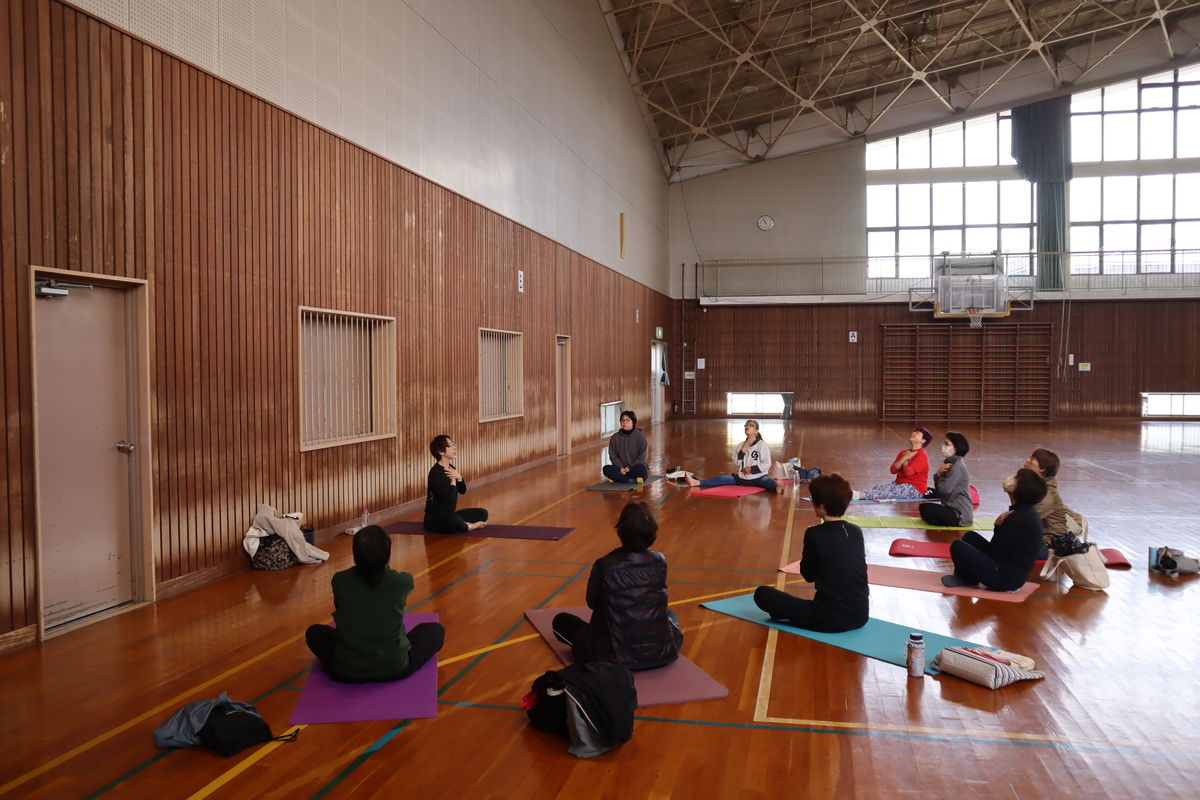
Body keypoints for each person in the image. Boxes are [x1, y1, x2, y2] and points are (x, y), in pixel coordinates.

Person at [552, 502, 683, 671]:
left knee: (561, 621)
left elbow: (592, 603)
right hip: (662, 653)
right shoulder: (660, 560)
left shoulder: (604, 564)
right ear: (652, 534)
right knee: (670, 614)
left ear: (621, 532)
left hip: (612, 658)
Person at [305, 525, 445, 682]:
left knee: (314, 633)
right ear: (387, 555)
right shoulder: (403, 581)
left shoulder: (340, 580)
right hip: (396, 667)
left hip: (347, 669)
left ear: (355, 555)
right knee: (436, 631)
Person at [752, 473, 868, 632]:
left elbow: (808, 575)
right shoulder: (856, 531)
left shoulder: (814, 534)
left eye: (813, 500)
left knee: (763, 594)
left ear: (822, 506)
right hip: (861, 616)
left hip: (828, 619)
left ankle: (785, 613)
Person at [942, 468, 1047, 591]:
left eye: (1016, 478)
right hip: (1009, 570)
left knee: (958, 546)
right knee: (970, 537)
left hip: (1005, 578)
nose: (1011, 478)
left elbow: (994, 552)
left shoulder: (1017, 517)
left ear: (1019, 489)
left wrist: (997, 527)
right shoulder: (1025, 512)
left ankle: (966, 578)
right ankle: (969, 577)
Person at [1007, 448, 1083, 547]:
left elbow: (1022, 520)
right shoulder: (1037, 486)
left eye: (1032, 458)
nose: (1027, 460)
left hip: (1051, 542)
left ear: (1042, 468)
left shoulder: (1046, 494)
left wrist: (1012, 494)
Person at [683, 419, 782, 494]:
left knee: (767, 481)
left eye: (751, 425)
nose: (747, 427)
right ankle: (697, 483)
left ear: (756, 431)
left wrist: (752, 469)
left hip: (758, 477)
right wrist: (743, 450)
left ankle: (777, 487)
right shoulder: (741, 445)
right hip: (743, 478)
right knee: (721, 478)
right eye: (746, 425)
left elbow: (767, 463)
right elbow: (737, 462)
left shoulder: (762, 445)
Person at [423, 435, 489, 533]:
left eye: (453, 444)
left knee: (482, 513)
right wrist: (453, 480)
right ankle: (468, 526)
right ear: (441, 452)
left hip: (449, 514)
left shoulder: (451, 468)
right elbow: (451, 503)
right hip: (434, 519)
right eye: (450, 445)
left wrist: (459, 478)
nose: (454, 448)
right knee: (453, 520)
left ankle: (462, 523)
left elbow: (463, 490)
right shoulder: (436, 473)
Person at [852, 427, 932, 501]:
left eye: (917, 433)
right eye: (914, 432)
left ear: (923, 440)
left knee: (887, 492)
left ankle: (859, 495)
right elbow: (893, 470)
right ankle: (857, 494)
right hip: (899, 483)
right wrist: (904, 457)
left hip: (915, 489)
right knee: (880, 487)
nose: (913, 433)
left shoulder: (922, 454)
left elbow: (908, 473)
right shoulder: (904, 453)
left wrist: (905, 460)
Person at [918, 432, 973, 526]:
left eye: (947, 444)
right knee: (924, 507)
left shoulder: (956, 467)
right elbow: (940, 490)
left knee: (927, 509)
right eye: (943, 443)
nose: (943, 447)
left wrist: (939, 474)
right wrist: (938, 475)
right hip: (950, 508)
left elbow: (943, 492)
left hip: (960, 515)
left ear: (956, 447)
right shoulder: (951, 464)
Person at [603, 410, 649, 484]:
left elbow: (642, 456)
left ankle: (619, 479)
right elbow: (613, 456)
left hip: (634, 468)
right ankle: (630, 480)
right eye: (623, 420)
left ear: (633, 422)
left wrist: (630, 467)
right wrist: (621, 467)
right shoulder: (615, 437)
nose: (624, 422)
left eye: (627, 420)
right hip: (621, 469)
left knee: (642, 470)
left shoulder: (640, 436)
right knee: (606, 469)